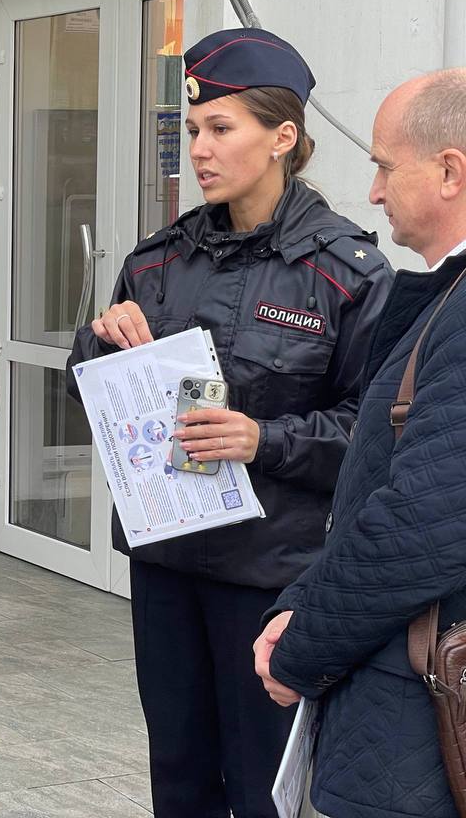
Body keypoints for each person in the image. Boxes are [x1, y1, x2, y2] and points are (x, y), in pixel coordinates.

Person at [67, 28, 393, 818]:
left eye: (221, 128)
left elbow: (375, 436)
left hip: (272, 576)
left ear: (282, 137)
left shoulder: (347, 275)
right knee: (178, 776)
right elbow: (96, 396)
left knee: (261, 787)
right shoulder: (157, 262)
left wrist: (262, 439)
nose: (200, 150)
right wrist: (100, 343)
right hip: (167, 562)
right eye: (194, 129)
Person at [255, 69, 466, 818]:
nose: (373, 192)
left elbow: (421, 523)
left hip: (417, 732)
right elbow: (380, 491)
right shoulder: (446, 296)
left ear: (450, 172)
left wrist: (302, 647)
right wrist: (301, 604)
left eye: (383, 166)